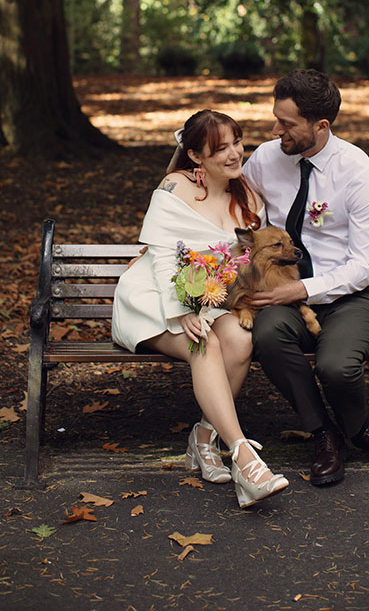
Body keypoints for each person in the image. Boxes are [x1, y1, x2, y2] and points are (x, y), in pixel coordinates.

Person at [242, 69, 369, 486]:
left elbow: (363, 266)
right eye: (275, 117)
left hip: (350, 298)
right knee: (267, 337)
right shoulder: (266, 159)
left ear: (321, 126)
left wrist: (302, 287)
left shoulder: (356, 169)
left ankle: (361, 431)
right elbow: (232, 207)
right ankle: (324, 433)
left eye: (286, 124)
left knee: (336, 366)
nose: (274, 130)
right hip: (283, 299)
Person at [112, 109, 289, 508]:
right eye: (220, 148)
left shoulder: (249, 201)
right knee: (204, 345)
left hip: (209, 299)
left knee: (241, 341)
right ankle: (246, 460)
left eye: (237, 143)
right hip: (154, 297)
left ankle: (205, 438)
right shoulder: (175, 186)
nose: (234, 154)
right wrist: (181, 312)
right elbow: (160, 258)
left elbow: (244, 266)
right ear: (195, 156)